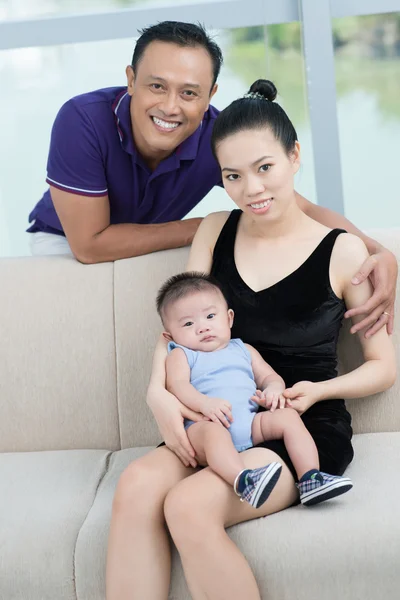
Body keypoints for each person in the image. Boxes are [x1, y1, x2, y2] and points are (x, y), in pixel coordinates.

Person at [105, 79, 396, 600]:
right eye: (233, 176)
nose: (253, 189)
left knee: (188, 506)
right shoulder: (215, 229)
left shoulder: (344, 252)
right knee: (135, 485)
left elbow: (383, 366)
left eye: (265, 168)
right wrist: (158, 391)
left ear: (294, 157)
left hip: (297, 425)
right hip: (213, 416)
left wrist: (316, 391)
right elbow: (176, 329)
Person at [26, 22, 397, 340]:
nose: (171, 107)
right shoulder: (82, 120)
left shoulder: (216, 138)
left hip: (154, 240)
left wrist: (377, 251)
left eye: (189, 93)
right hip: (66, 244)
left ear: (210, 97)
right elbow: (89, 246)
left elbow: (300, 209)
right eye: (157, 86)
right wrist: (204, 227)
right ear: (131, 80)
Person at [158, 271, 352, 507]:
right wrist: (204, 404)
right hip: (202, 430)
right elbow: (176, 386)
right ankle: (244, 481)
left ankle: (310, 478)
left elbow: (269, 376)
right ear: (170, 336)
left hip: (249, 424)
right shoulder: (182, 354)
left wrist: (272, 390)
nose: (202, 327)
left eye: (210, 316)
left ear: (229, 318)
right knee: (213, 433)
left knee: (288, 418)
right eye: (188, 323)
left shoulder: (243, 349)